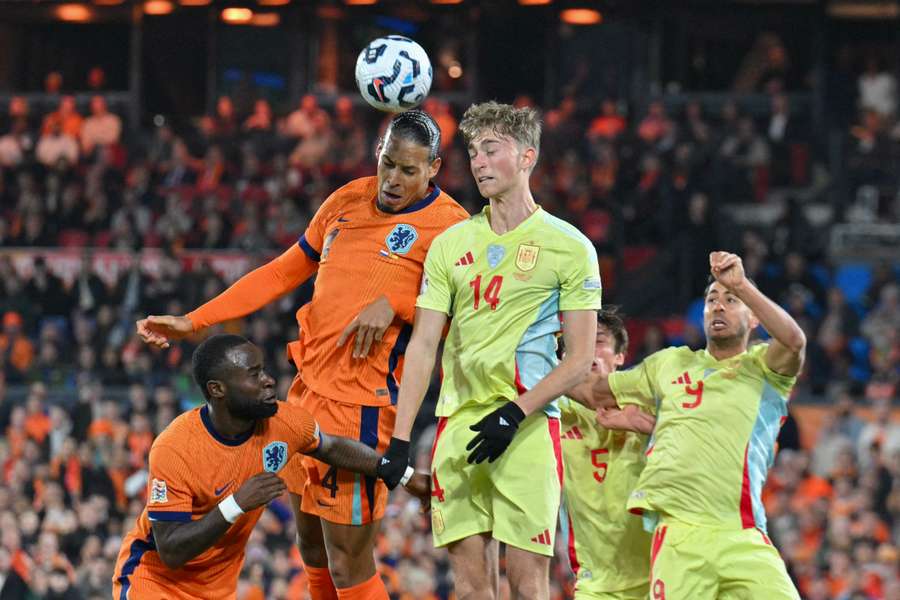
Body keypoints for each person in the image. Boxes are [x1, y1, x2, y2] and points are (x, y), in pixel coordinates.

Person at [136, 109, 468, 600]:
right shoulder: (346, 200)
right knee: (310, 547)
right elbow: (280, 272)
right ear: (378, 153)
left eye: (409, 170)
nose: (393, 180)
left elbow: (464, 311)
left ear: (434, 169)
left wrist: (398, 303)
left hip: (362, 406)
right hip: (304, 393)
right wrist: (196, 320)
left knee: (348, 562)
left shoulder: (452, 228)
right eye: (388, 163)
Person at [377, 101, 602, 600]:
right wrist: (399, 438)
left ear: (526, 157)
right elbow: (423, 346)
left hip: (525, 430)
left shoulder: (570, 247)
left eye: (491, 150)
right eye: (473, 151)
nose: (478, 162)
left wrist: (514, 414)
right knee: (472, 589)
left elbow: (580, 359)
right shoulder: (450, 245)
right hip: (457, 430)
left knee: (527, 587)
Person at [112, 334, 429, 599]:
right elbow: (171, 551)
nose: (268, 380)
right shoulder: (175, 448)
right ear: (217, 389)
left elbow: (331, 447)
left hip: (217, 588)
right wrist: (236, 504)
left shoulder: (282, 422)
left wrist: (402, 474)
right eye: (253, 374)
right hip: (155, 583)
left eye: (263, 370)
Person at [577, 252, 806, 599]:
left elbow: (794, 342)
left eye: (730, 301)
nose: (718, 306)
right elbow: (597, 393)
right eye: (711, 300)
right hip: (679, 535)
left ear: (754, 318)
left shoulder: (764, 370)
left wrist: (740, 284)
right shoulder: (670, 364)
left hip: (741, 532)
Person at [560, 308, 655, 600]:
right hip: (596, 583)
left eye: (598, 340)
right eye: (576, 341)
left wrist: (651, 427)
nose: (587, 349)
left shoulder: (647, 401)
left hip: (662, 571)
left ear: (620, 357)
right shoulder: (552, 412)